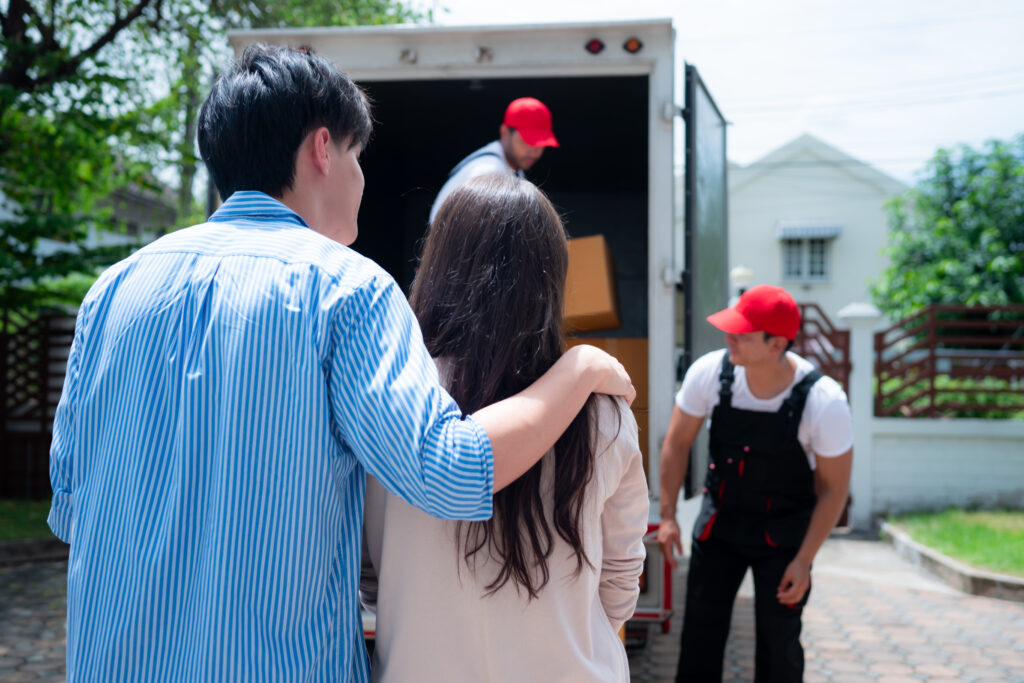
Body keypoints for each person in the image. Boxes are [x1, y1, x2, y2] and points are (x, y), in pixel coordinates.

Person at [46, 45, 634, 682]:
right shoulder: (348, 289)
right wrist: (580, 372)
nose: (361, 178)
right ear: (323, 149)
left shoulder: (113, 289)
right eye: (358, 155)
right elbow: (453, 474)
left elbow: (71, 506)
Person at [361, 173, 648, 682]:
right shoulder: (603, 411)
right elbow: (621, 580)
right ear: (550, 280)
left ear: (437, 266)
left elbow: (366, 575)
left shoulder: (390, 397)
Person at [656, 285, 853, 682]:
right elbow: (676, 444)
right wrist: (668, 516)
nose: (729, 338)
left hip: (783, 537)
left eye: (741, 334)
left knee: (779, 650)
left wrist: (804, 561)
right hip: (720, 527)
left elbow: (834, 490)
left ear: (776, 344)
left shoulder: (824, 401)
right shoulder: (710, 373)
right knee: (699, 641)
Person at [427, 96, 558, 223]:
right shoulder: (489, 170)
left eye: (541, 144)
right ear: (505, 132)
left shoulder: (512, 168)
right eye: (527, 141)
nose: (534, 151)